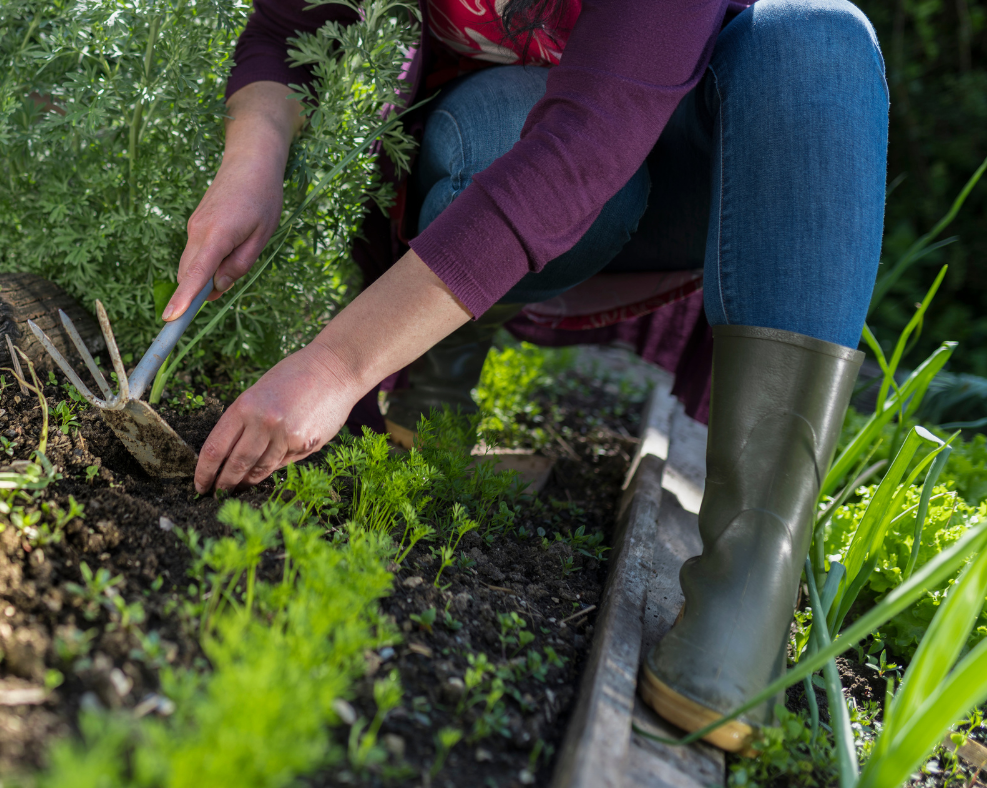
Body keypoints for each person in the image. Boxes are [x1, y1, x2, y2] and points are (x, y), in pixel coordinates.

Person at [159, 0, 887, 751]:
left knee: (820, 40)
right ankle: (445, 345)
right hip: (492, 139)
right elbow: (286, 32)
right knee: (505, 128)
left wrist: (337, 363)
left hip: (705, 167)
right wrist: (253, 159)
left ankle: (752, 566)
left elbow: (584, 149)